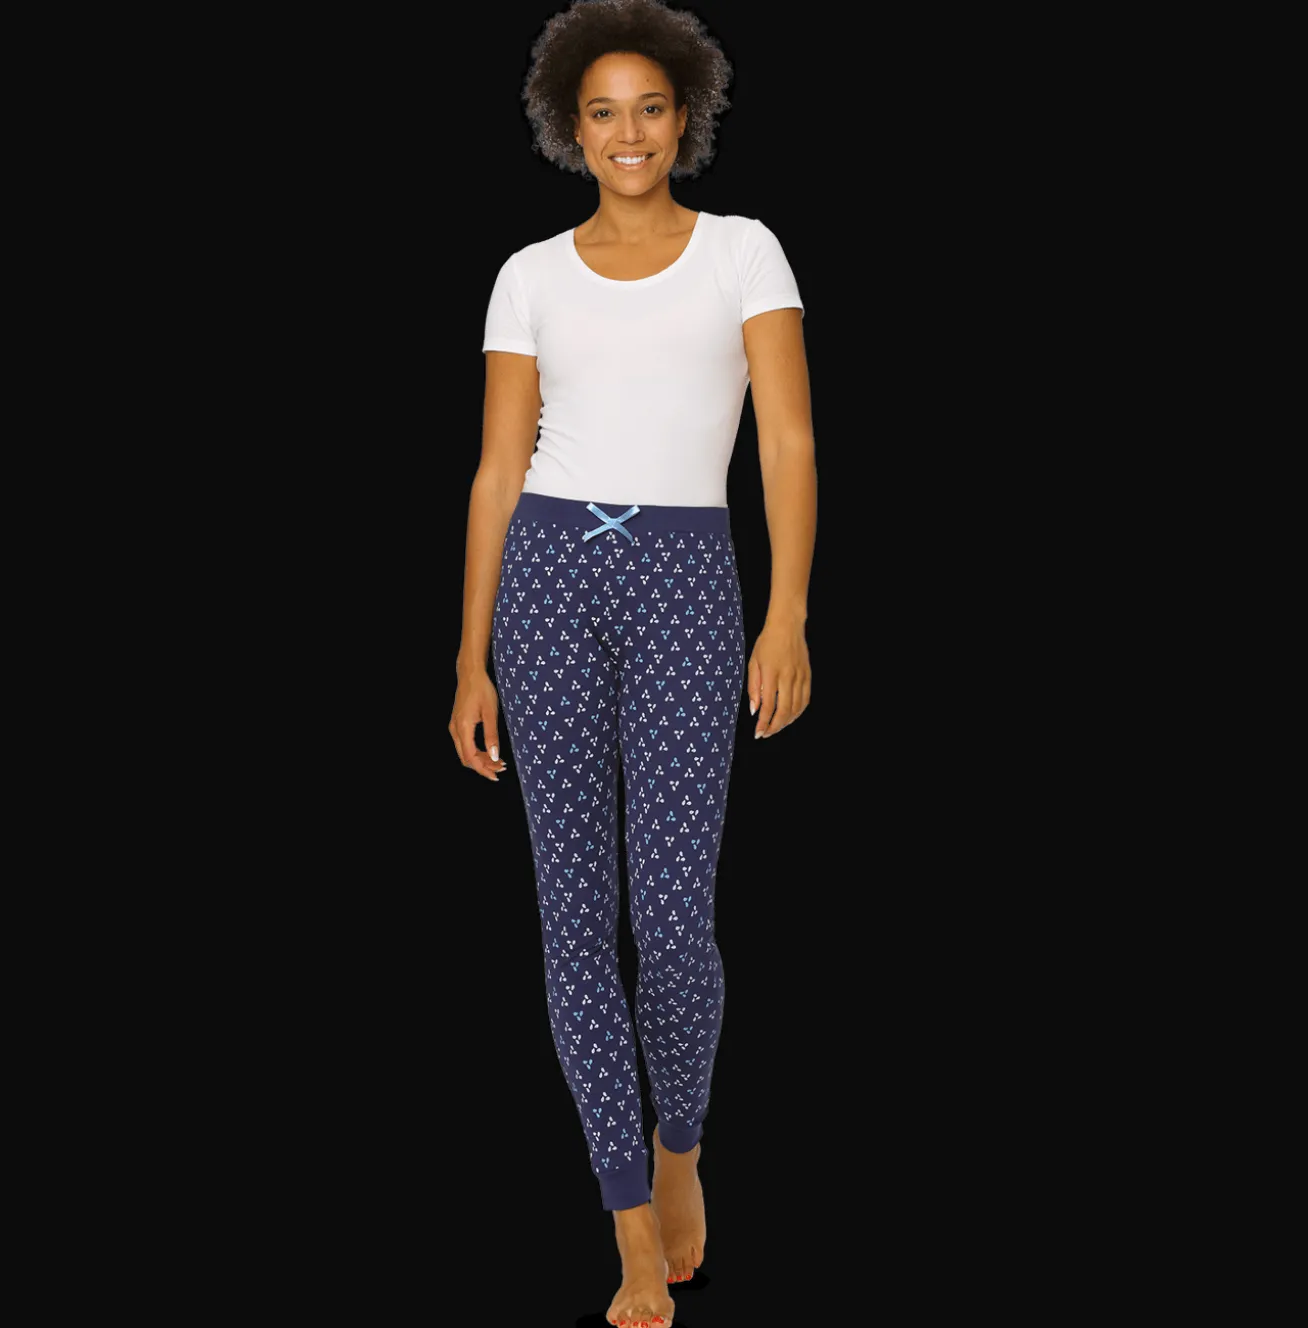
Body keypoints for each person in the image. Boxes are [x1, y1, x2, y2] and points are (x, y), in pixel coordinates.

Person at [448, 2, 815, 1324]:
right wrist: (470, 657)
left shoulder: (743, 253)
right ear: (570, 125)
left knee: (670, 914)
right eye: (601, 111)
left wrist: (788, 615)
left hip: (688, 583)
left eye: (649, 107)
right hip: (548, 577)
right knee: (571, 917)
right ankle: (627, 1222)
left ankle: (681, 1148)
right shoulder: (529, 275)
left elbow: (786, 441)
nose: (628, 133)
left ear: (685, 116)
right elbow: (498, 470)